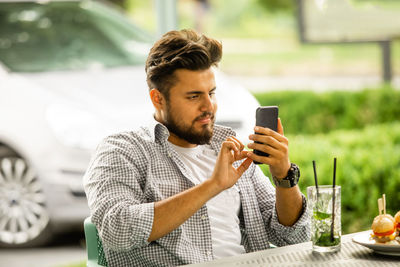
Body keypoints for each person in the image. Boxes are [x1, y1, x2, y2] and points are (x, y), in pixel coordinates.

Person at [84, 29, 310, 267]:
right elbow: (116, 229)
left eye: (211, 93)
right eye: (193, 97)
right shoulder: (121, 151)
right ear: (158, 98)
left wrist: (284, 176)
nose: (208, 106)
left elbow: (294, 237)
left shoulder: (231, 150)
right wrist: (212, 186)